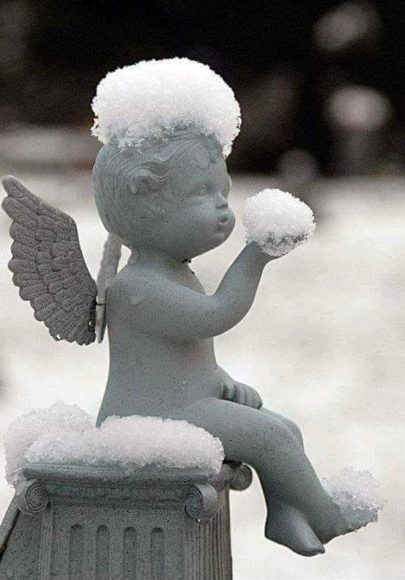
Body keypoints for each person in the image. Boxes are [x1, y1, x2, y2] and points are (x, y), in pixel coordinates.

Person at [93, 126, 353, 556]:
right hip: (149, 419)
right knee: (271, 438)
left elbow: (175, 354)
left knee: (285, 429)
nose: (222, 206)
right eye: (202, 193)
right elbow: (216, 315)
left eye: (223, 192)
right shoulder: (137, 287)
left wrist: (219, 382)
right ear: (144, 204)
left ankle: (286, 514)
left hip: (181, 405)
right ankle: (327, 518)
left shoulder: (171, 274)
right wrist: (255, 257)